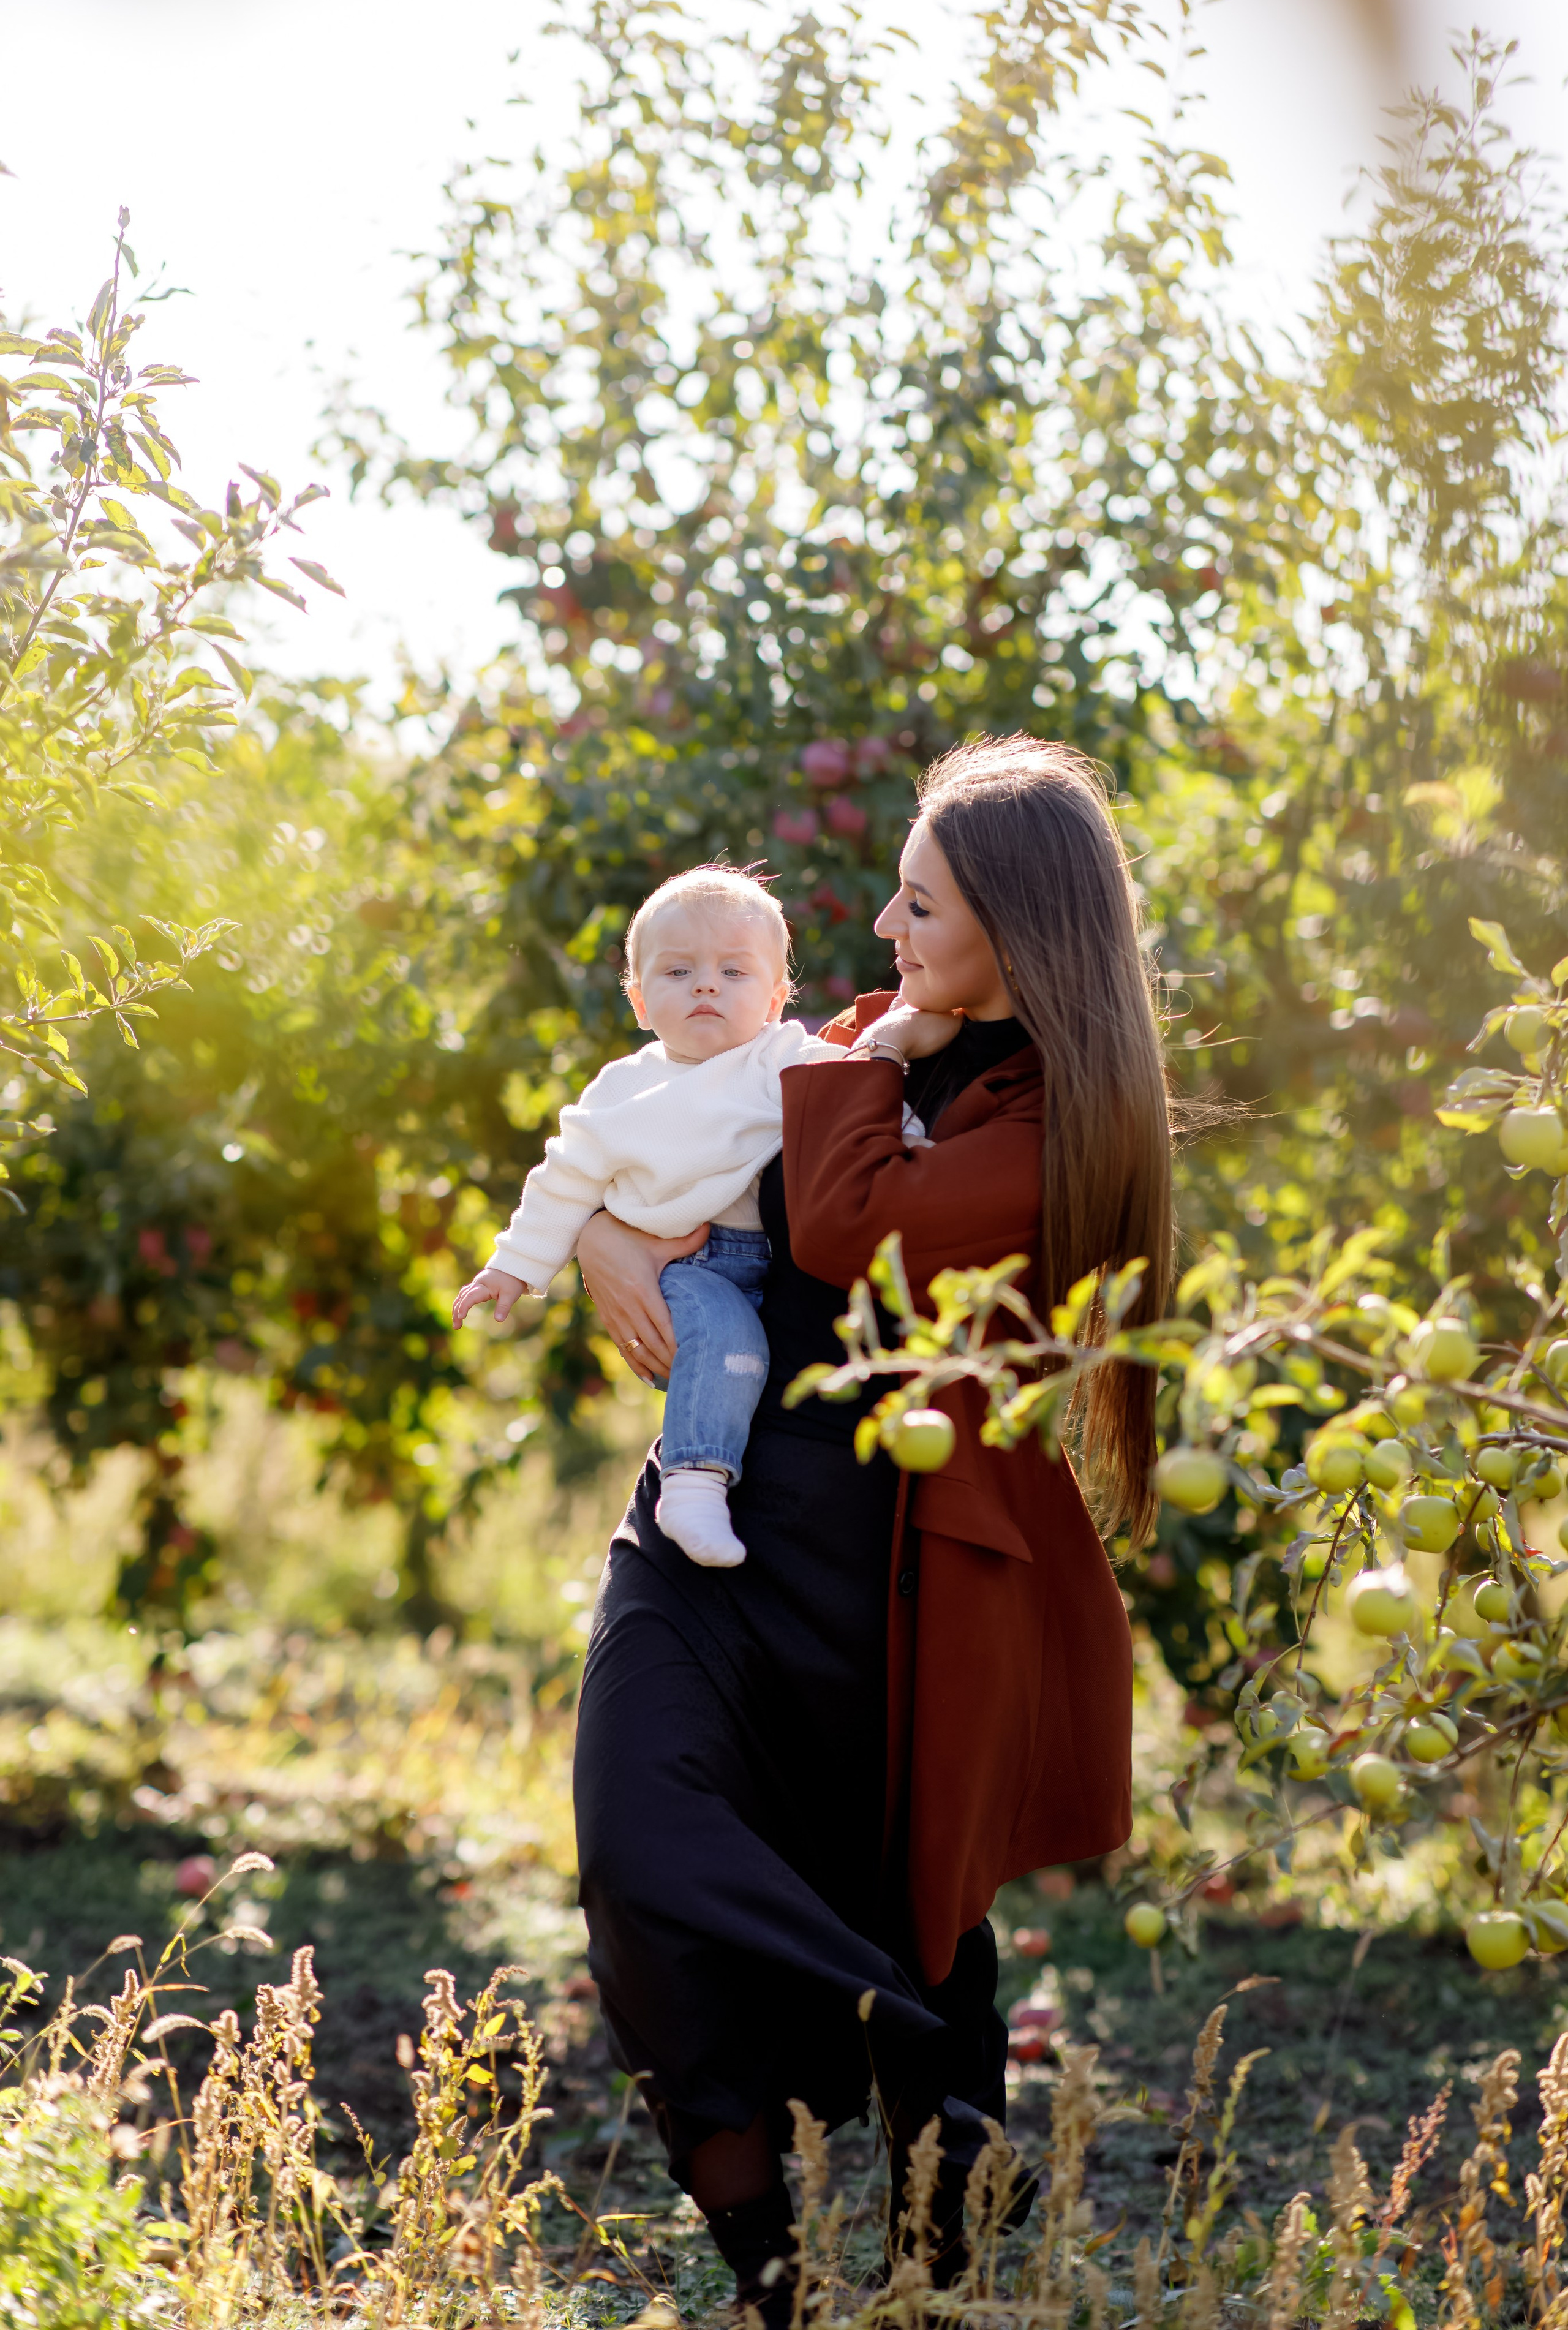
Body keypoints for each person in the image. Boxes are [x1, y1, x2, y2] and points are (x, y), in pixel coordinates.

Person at [571, 736, 1174, 2321]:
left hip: (875, 1608)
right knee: (637, 1859)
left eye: (921, 909)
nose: (889, 938)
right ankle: (884, 2096)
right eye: (897, 905)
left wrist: (870, 1052)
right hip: (705, 1540)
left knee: (894, 1933)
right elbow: (696, 1163)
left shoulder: (1049, 1122)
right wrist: (602, 1246)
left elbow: (843, 1225)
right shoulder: (865, 1043)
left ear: (1019, 933)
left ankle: (863, 2254)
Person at [451, 866, 837, 1566]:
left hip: (769, 1268)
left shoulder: (782, 1058)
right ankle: (692, 1485)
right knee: (728, 1344)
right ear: (638, 998)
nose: (706, 986)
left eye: (733, 971)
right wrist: (512, 1267)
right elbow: (562, 1181)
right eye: (679, 971)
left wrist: (908, 1128)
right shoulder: (624, 1089)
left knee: (755, 1357)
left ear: (777, 998)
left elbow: (857, 1099)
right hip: (683, 1268)